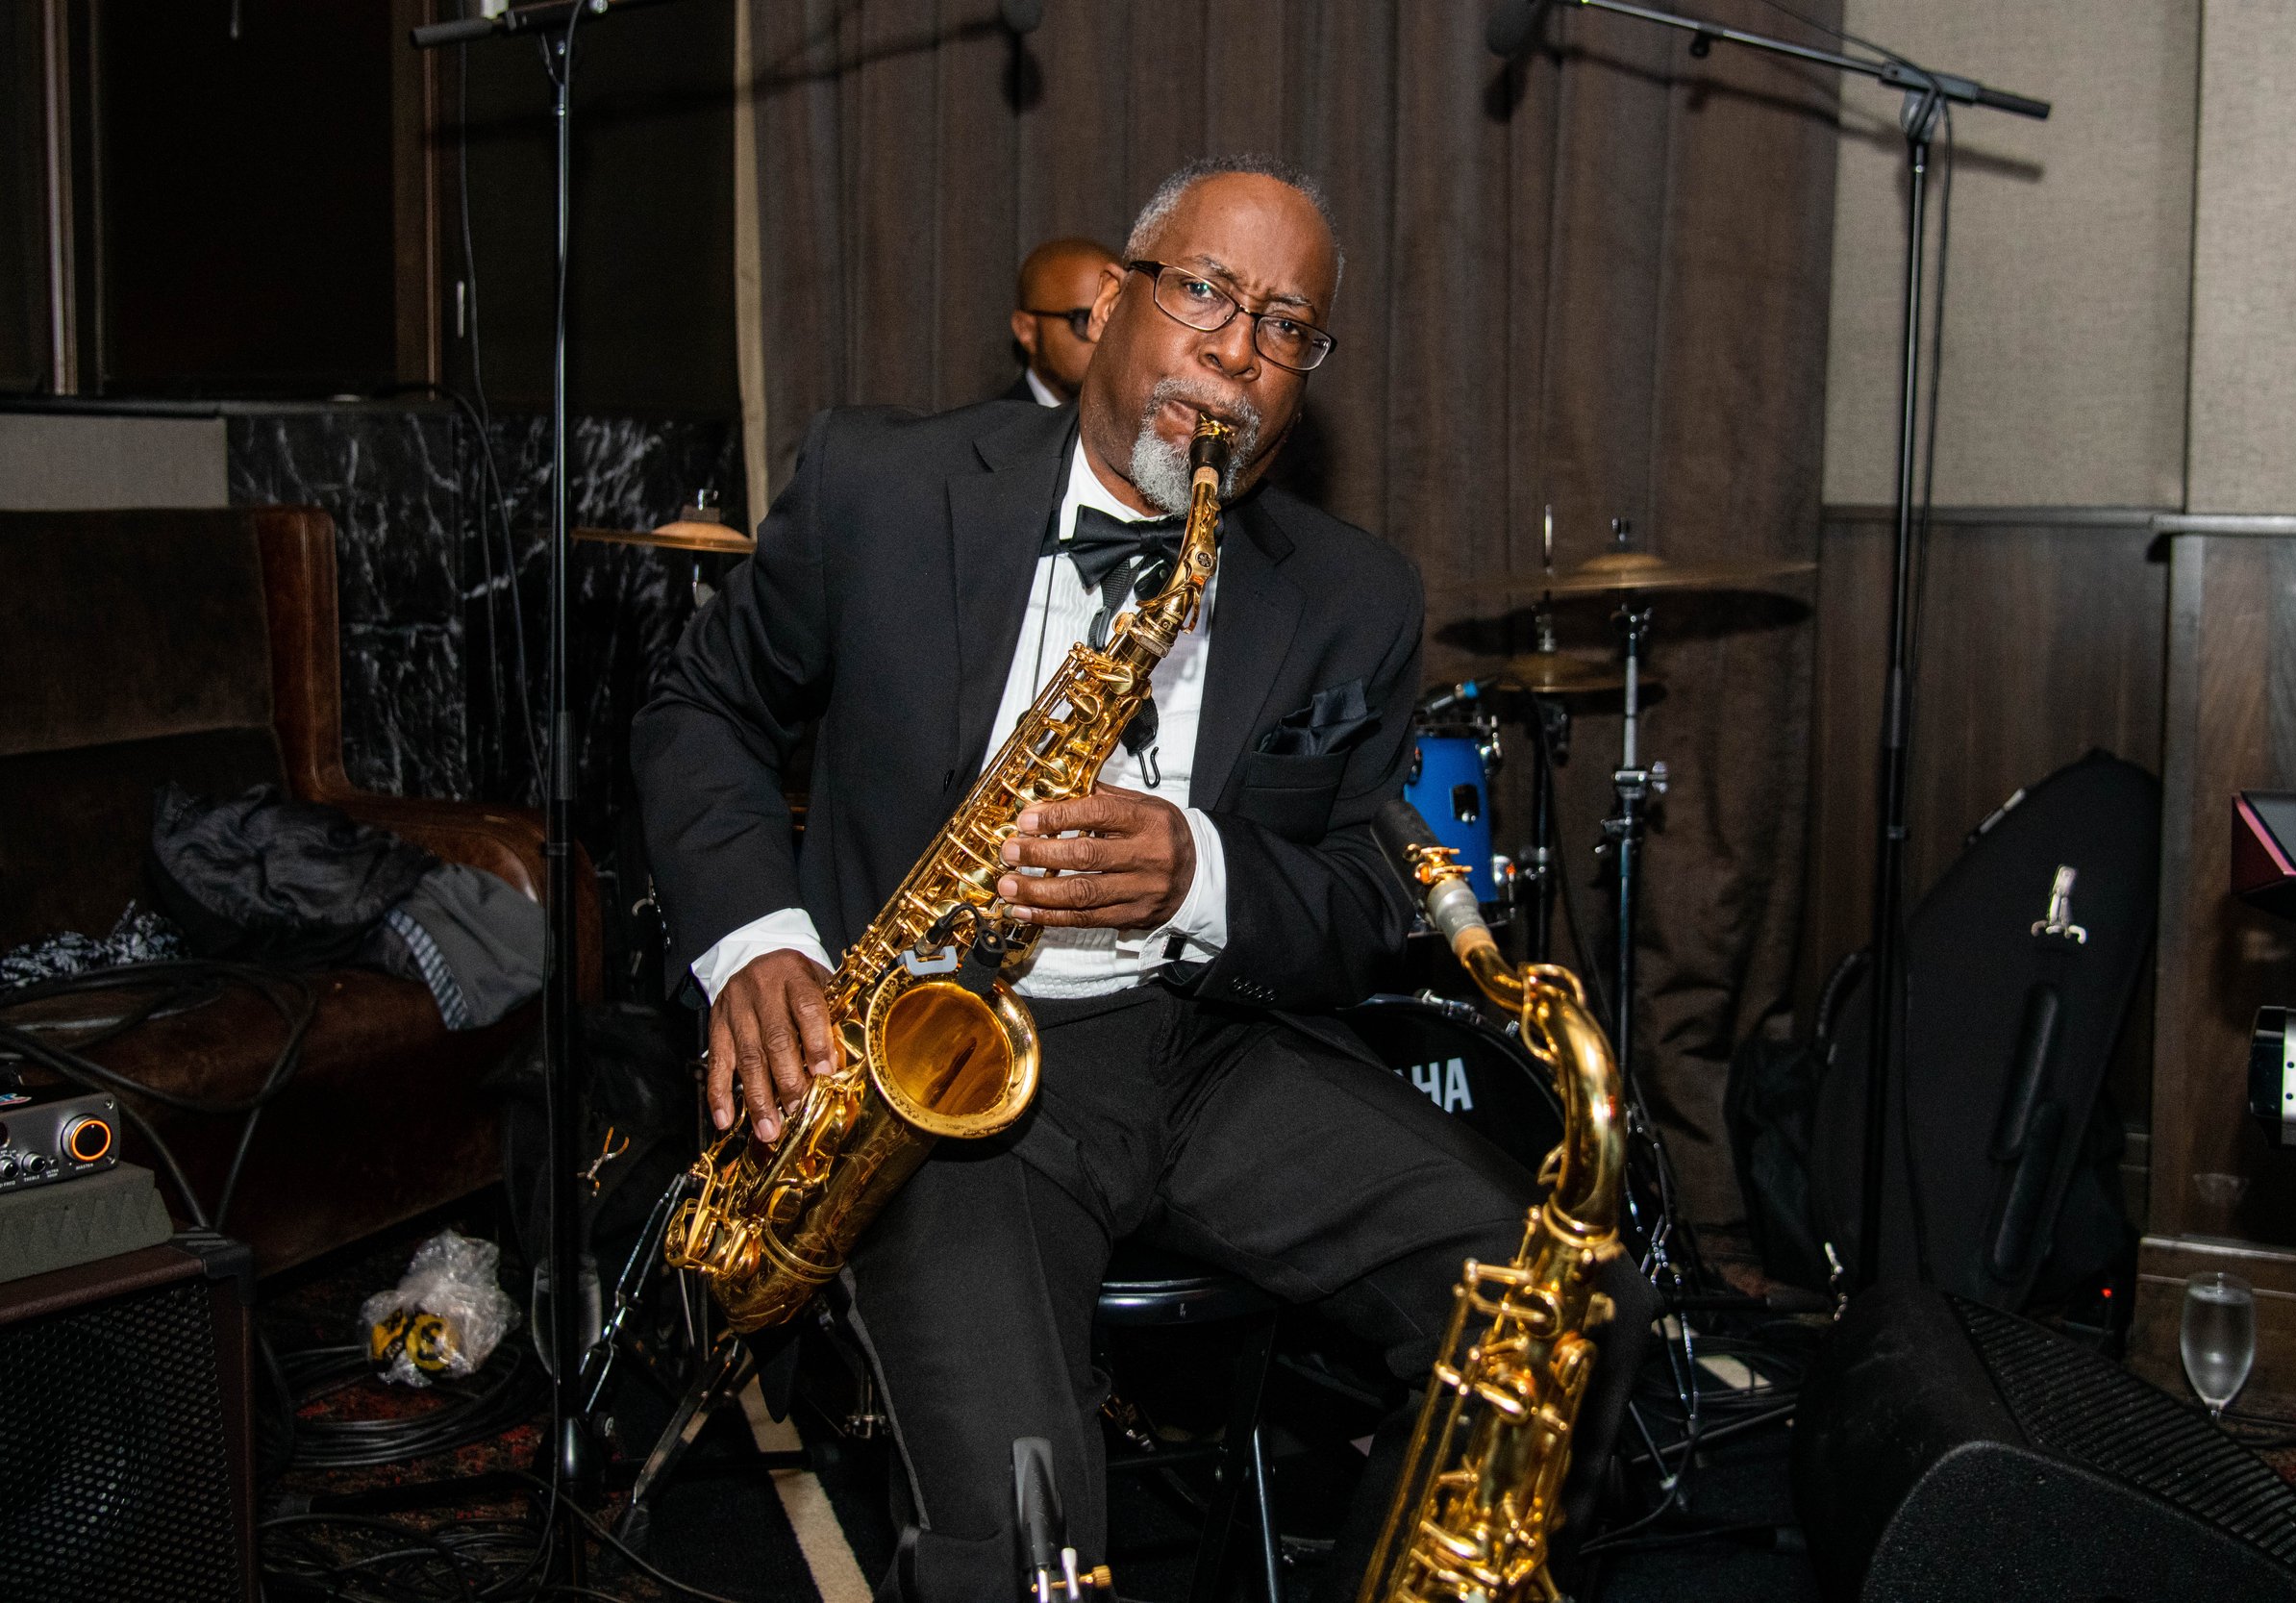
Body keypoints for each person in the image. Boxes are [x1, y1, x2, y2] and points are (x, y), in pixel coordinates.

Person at [634, 154, 1652, 1603]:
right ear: (1111, 303)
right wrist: (757, 944)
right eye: (1206, 293)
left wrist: (1203, 869)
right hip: (935, 1059)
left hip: (1205, 1048)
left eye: (1287, 326)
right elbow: (699, 709)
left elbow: (1364, 900)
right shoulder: (881, 481)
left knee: (1576, 1304)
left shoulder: (1352, 592)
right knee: (1028, 1527)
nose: (1238, 352)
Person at [1004, 237, 1114, 405]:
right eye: (1085, 320)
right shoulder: (995, 429)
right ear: (1026, 329)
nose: (1105, 338)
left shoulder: (1146, 425)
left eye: (1115, 320)